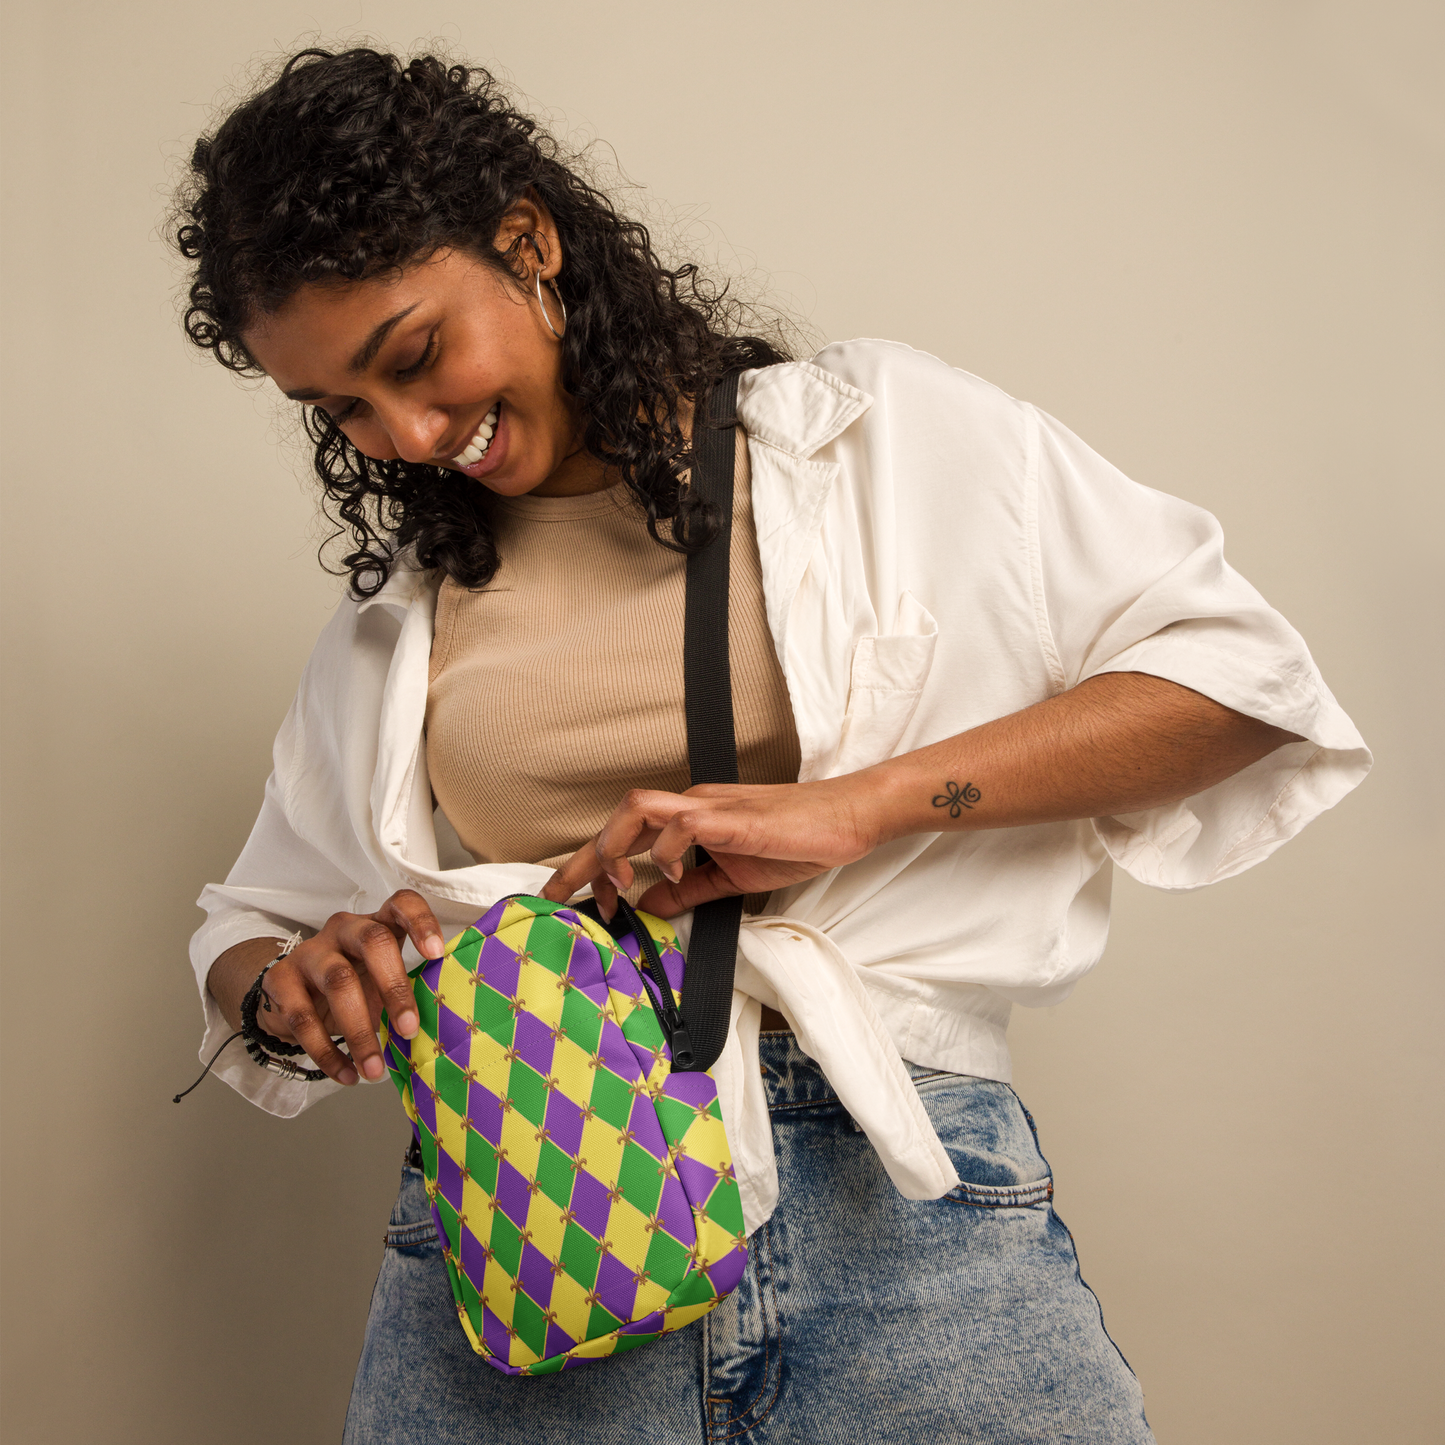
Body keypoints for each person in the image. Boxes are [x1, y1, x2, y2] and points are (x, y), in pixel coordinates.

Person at [177, 46, 1370, 1445]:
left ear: (529, 240)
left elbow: (1239, 686)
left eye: (415, 357)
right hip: (536, 1216)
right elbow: (247, 929)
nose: (409, 435)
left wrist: (858, 808)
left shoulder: (869, 442)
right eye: (342, 411)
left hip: (894, 1206)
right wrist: (296, 986)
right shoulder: (401, 620)